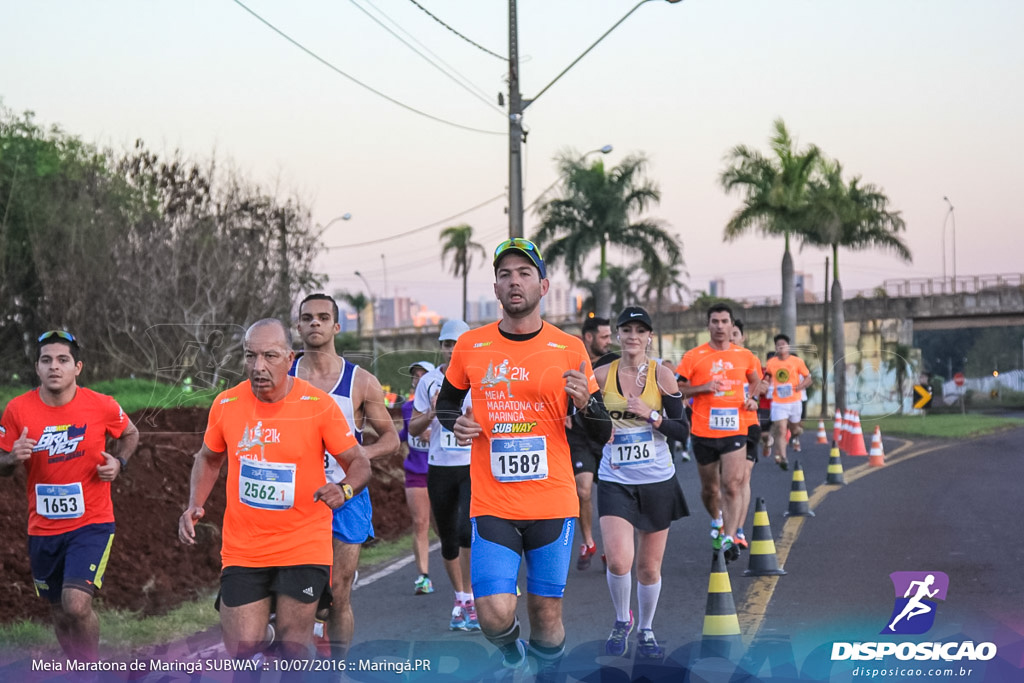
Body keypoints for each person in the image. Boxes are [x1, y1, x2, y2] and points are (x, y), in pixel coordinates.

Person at [435, 238, 612, 676]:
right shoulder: (471, 347)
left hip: (552, 500)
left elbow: (602, 430)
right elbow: (446, 406)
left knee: (546, 613)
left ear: (543, 285)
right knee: (493, 610)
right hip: (493, 501)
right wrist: (454, 423)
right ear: (495, 288)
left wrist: (586, 404)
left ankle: (544, 672)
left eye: (524, 273)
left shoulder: (568, 348)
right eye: (505, 275)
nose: (515, 282)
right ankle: (514, 656)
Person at [178, 319, 370, 663]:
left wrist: (345, 489)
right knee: (242, 646)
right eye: (250, 356)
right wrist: (195, 504)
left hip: (303, 544)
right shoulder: (226, 404)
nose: (258, 366)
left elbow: (359, 462)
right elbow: (208, 459)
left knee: (292, 645)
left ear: (290, 357)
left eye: (269, 356)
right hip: (244, 548)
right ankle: (261, 636)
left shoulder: (317, 404)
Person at [0, 330, 139, 662]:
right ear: (37, 367)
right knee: (59, 612)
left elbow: (130, 432)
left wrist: (119, 463)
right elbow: (2, 463)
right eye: (46, 360)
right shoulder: (17, 410)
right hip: (43, 527)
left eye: (62, 360)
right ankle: (77, 666)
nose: (54, 367)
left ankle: (89, 668)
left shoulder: (102, 405)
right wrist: (11, 458)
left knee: (76, 605)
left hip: (91, 522)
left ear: (78, 367)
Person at [289, 293, 400, 658]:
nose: (315, 323)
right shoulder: (282, 377)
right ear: (299, 327)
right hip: (294, 500)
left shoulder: (361, 381)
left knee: (338, 594)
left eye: (323, 317)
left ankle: (334, 667)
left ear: (336, 326)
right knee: (295, 597)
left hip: (346, 495)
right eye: (308, 318)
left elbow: (391, 439)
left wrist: (358, 457)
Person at [596, 307, 689, 659]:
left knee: (648, 567)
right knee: (619, 561)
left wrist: (650, 415)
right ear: (618, 335)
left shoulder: (663, 376)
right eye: (627, 329)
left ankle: (646, 628)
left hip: (656, 479)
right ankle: (622, 620)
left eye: (640, 330)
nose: (633, 335)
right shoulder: (602, 374)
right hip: (615, 478)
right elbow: (583, 423)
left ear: (649, 336)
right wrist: (599, 434)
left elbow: (682, 431)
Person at [676, 304, 764, 562]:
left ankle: (729, 536)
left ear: (731, 325)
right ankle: (716, 519)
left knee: (732, 486)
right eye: (714, 321)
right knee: (710, 489)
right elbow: (678, 388)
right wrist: (704, 387)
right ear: (708, 325)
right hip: (703, 431)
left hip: (735, 428)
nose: (719, 326)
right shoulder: (694, 356)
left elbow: (758, 382)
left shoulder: (745, 356)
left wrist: (753, 399)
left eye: (724, 321)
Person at [408, 319, 478, 630]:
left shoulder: (479, 379)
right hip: (439, 467)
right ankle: (460, 598)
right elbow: (412, 428)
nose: (452, 350)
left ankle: (473, 598)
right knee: (448, 538)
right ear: (441, 347)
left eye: (457, 343)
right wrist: (434, 411)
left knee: (466, 532)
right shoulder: (430, 382)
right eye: (448, 344)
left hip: (470, 466)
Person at [569, 316, 612, 570]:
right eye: (604, 337)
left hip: (606, 435)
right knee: (582, 490)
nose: (608, 341)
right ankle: (587, 541)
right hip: (579, 436)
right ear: (588, 337)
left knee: (609, 493)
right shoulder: (570, 359)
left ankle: (611, 546)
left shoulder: (612, 364)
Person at [728, 319, 768, 550]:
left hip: (748, 424)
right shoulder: (714, 361)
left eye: (735, 333)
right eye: (728, 333)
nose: (731, 337)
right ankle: (724, 524)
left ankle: (738, 531)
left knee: (743, 477)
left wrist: (753, 400)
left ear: (742, 337)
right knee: (727, 482)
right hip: (720, 429)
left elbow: (760, 386)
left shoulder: (750, 359)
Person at [398, 360, 436, 595]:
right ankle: (423, 576)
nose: (418, 378)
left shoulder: (447, 406)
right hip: (415, 472)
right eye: (415, 375)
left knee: (447, 529)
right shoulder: (406, 408)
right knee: (420, 523)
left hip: (440, 471)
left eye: (424, 374)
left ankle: (460, 571)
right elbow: (405, 432)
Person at [766, 334, 812, 470]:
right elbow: (766, 378)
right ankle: (784, 458)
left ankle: (796, 434)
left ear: (788, 346)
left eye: (783, 344)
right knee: (780, 429)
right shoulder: (771, 363)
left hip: (795, 401)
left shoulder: (797, 361)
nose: (781, 347)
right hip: (778, 402)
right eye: (778, 345)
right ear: (775, 347)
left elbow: (808, 378)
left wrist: (801, 386)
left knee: (795, 429)